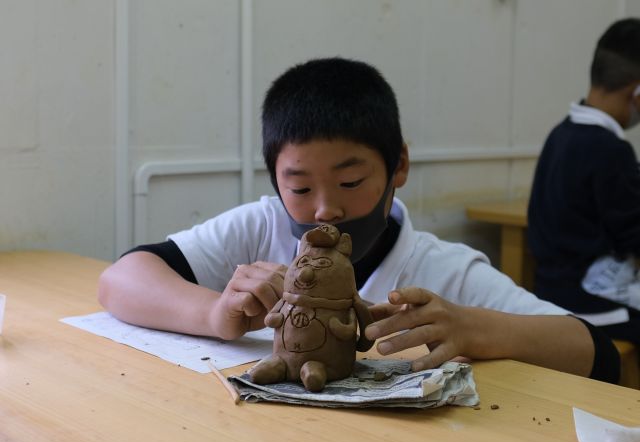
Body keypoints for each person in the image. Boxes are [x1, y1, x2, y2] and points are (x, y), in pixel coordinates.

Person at [99, 57, 620, 383]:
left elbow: (596, 352)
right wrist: (215, 315)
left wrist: (474, 328)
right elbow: (120, 280)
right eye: (299, 188)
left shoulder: (444, 271)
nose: (325, 209)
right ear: (275, 180)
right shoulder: (261, 227)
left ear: (399, 166)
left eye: (350, 183)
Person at [528, 18, 640, 344]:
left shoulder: (561, 133)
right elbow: (633, 236)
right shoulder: (610, 149)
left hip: (550, 288)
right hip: (589, 303)